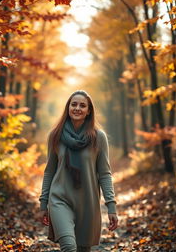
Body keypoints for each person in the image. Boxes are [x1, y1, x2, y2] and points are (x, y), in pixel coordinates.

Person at [39, 90, 118, 252]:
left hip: (87, 202)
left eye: (82, 105)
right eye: (73, 104)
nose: (77, 108)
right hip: (59, 198)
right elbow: (49, 171)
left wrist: (111, 206)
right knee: (69, 246)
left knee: (83, 249)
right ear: (68, 107)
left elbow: (104, 174)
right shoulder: (55, 136)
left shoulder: (98, 137)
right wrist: (43, 203)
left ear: (89, 111)